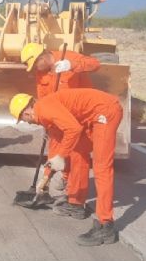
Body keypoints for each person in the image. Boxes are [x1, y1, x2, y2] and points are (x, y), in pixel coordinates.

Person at [9, 88, 123, 246]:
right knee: (78, 153)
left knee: (102, 167)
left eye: (23, 119)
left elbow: (73, 130)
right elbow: (57, 146)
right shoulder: (45, 116)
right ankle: (76, 204)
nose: (27, 122)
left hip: (105, 110)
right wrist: (46, 178)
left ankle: (106, 226)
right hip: (92, 114)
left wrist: (62, 156)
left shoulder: (44, 109)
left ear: (26, 112)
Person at [20, 43, 101, 213]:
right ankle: (44, 187)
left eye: (35, 64)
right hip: (59, 117)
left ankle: (76, 202)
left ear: (42, 57)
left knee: (78, 156)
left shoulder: (68, 57)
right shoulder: (41, 74)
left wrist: (72, 65)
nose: (35, 69)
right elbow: (43, 100)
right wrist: (45, 123)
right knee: (55, 150)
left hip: (82, 116)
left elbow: (95, 64)